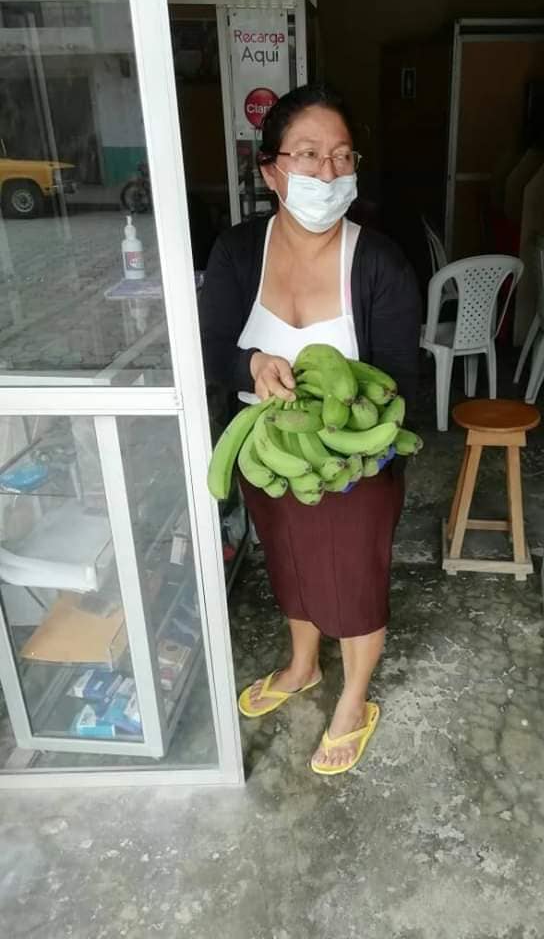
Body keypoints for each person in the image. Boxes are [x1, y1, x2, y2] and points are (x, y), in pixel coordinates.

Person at [200, 84, 421, 776]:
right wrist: (252, 363)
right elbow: (209, 348)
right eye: (307, 155)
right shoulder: (239, 252)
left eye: (342, 156)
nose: (328, 173)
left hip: (356, 463)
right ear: (271, 170)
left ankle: (353, 699)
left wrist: (341, 425)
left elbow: (399, 379)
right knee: (288, 563)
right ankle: (302, 665)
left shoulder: (379, 262)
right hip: (270, 453)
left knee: (354, 580)